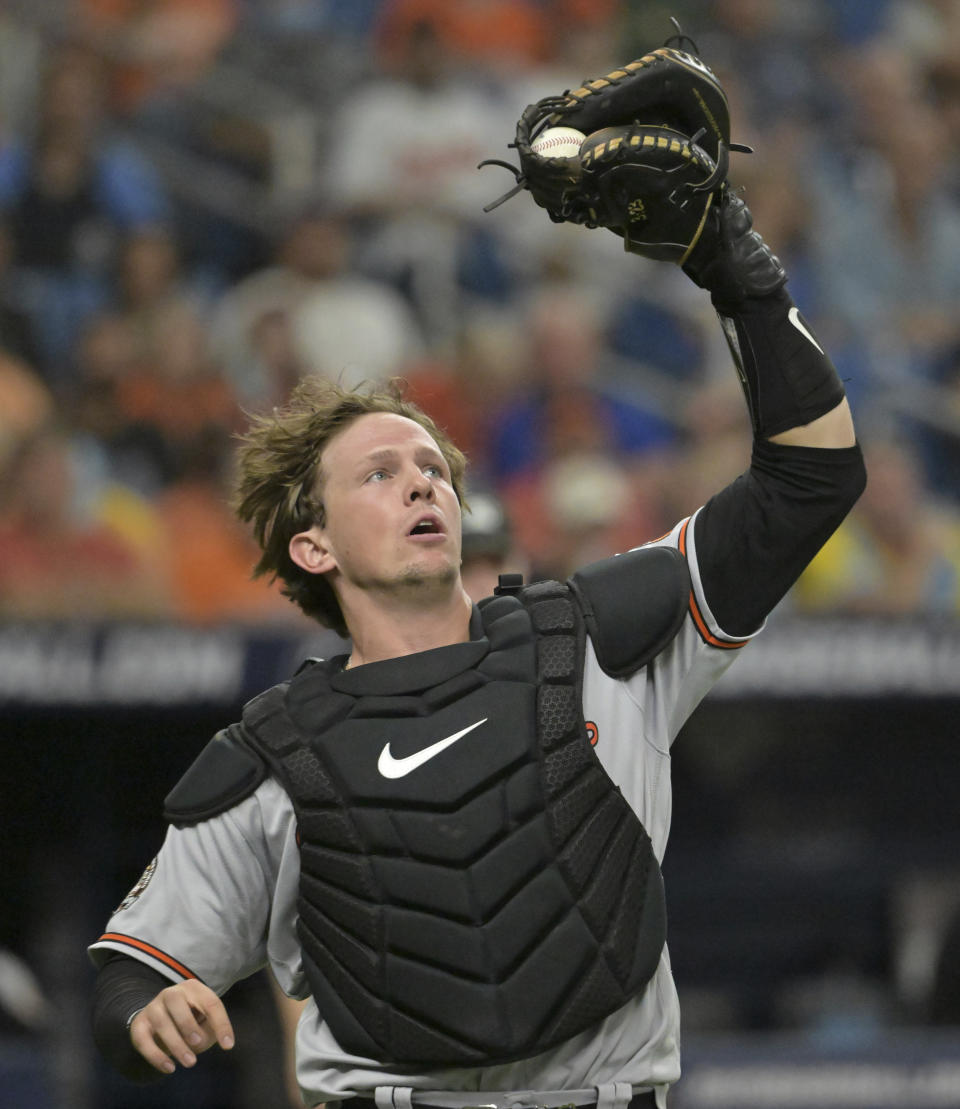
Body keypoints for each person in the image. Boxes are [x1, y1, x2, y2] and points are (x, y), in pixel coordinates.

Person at [88, 83, 866, 1109]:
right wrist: (147, 1011)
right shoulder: (274, 754)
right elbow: (132, 966)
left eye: (431, 465)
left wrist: (736, 265)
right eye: (380, 471)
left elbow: (812, 479)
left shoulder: (597, 639)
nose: (422, 480)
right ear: (311, 543)